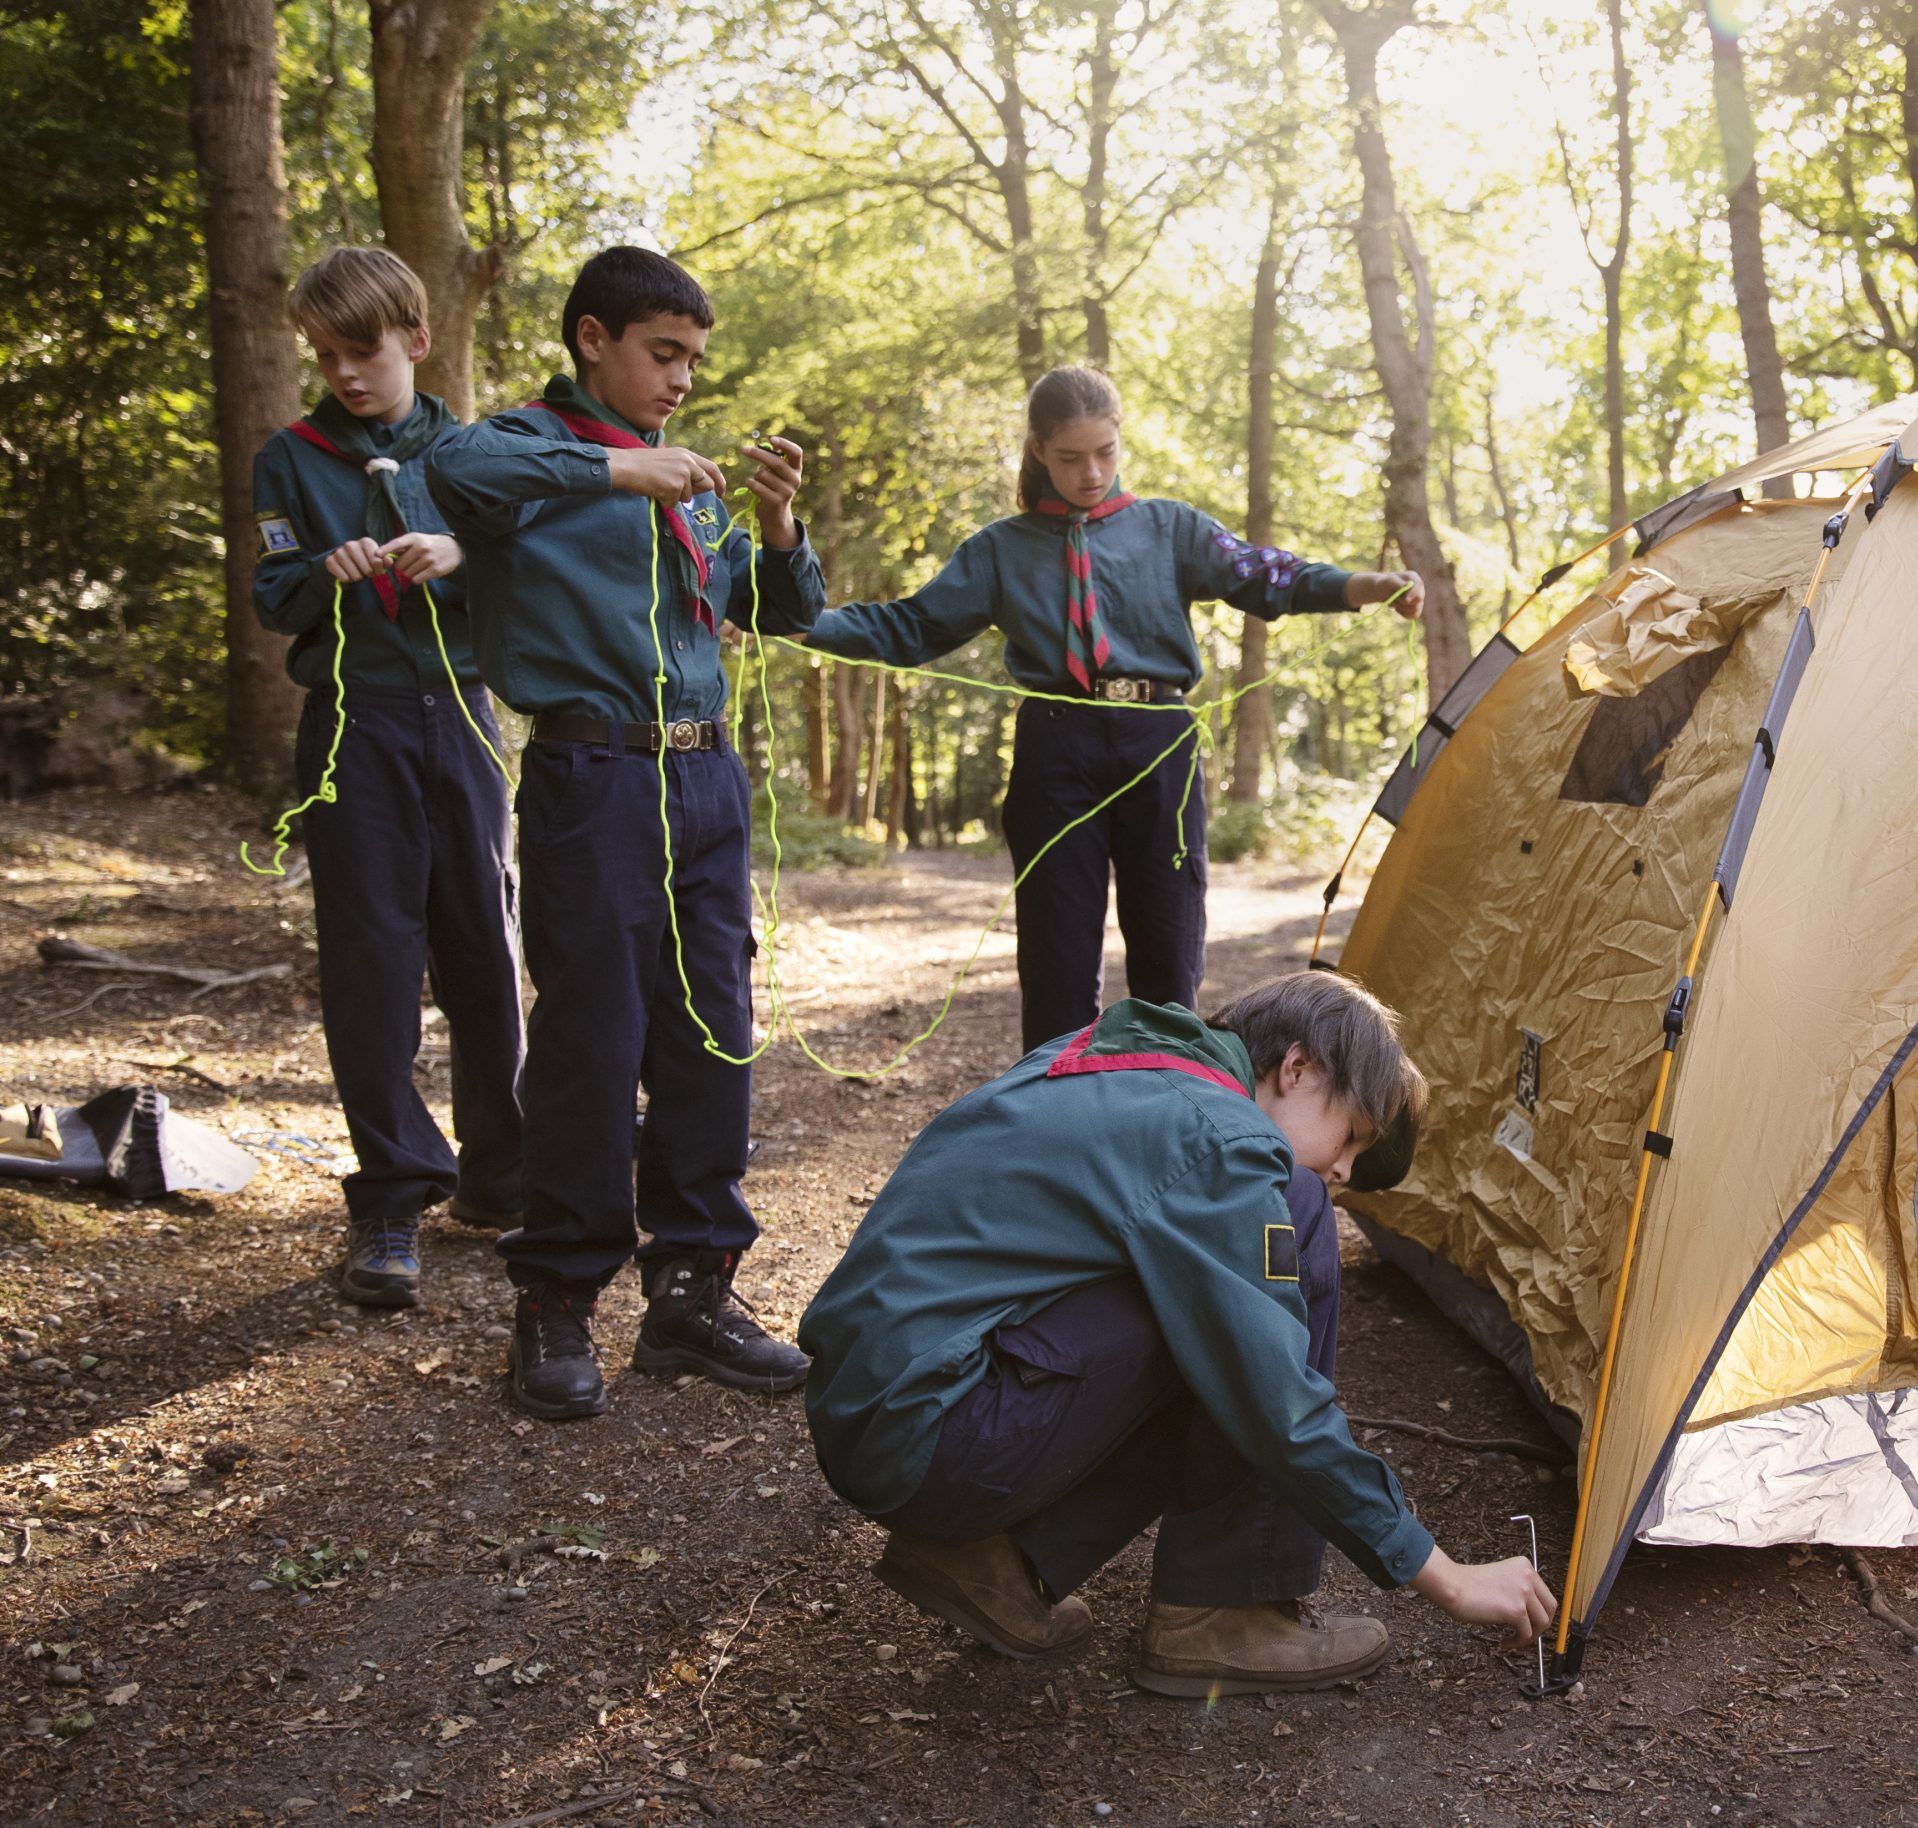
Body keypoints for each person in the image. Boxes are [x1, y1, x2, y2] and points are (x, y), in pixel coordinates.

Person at [798, 972, 1555, 1696]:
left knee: (1229, 1278)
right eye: (1350, 1136)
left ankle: (996, 1563)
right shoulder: (1215, 1136)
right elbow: (1276, 1401)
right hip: (942, 1430)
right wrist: (1445, 1576)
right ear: (1297, 1067)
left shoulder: (1117, 1061)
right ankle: (1226, 1609)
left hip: (884, 1410)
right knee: (1288, 1220)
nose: (1344, 1168)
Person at [424, 247, 826, 1420]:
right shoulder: (523, 453)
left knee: (714, 1027)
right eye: (664, 353)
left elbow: (776, 607)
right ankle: (556, 1297)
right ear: (592, 338)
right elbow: (453, 468)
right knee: (594, 1038)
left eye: (694, 360)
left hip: (703, 780)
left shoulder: (691, 481)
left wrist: (775, 517)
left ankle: (694, 1292)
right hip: (590, 774)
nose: (683, 379)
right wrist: (617, 472)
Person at [798, 365, 1424, 1052]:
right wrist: (800, 623)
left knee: (1168, 950)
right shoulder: (999, 551)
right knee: (1057, 958)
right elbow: (907, 627)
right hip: (1056, 750)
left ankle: (1162, 1110)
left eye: (1105, 452)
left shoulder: (1170, 528)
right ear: (1038, 450)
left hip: (1160, 745)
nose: (1091, 472)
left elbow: (1263, 574)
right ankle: (1059, 1116)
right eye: (1070, 457)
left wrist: (1364, 586)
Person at [251, 248, 526, 1310]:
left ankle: (500, 1174)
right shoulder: (294, 456)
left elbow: (529, 572)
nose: (346, 374)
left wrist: (461, 557)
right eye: (325, 355)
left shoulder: (475, 452)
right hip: (351, 723)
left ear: (415, 337)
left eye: (362, 350)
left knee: (484, 944)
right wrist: (322, 571)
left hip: (460, 712)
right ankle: (391, 1198)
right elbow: (271, 591)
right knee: (370, 956)